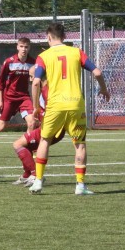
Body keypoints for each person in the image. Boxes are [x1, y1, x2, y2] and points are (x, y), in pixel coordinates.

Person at [29, 23, 110, 195]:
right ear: (64, 37)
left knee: (45, 141)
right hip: (75, 104)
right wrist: (103, 89)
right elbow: (97, 72)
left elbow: (36, 82)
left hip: (55, 105)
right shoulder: (76, 52)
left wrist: (36, 107)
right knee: (79, 144)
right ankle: (80, 186)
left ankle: (38, 182)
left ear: (48, 37)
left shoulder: (43, 56)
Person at [12, 66, 65, 186]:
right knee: (27, 146)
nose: (31, 80)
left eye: (32, 76)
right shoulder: (48, 88)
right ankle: (27, 175)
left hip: (50, 129)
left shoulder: (47, 91)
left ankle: (36, 175)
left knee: (17, 144)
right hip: (51, 128)